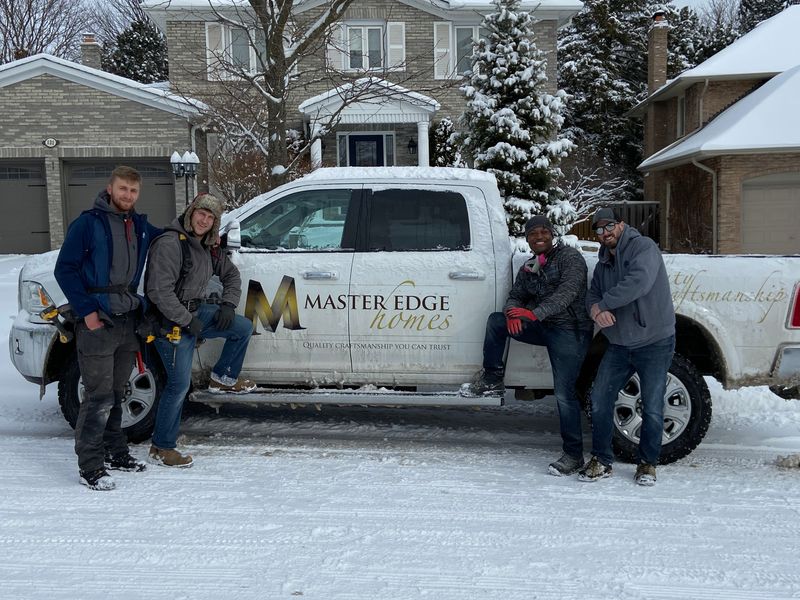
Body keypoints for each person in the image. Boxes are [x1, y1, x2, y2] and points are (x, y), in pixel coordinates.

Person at [55, 165, 161, 491]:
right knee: (98, 397)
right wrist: (87, 312)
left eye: (133, 191)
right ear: (111, 189)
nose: (127, 196)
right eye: (123, 189)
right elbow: (65, 270)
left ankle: (116, 452)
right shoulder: (88, 224)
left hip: (127, 320)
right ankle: (91, 466)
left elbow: (175, 237)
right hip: (98, 321)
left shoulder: (140, 226)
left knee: (118, 393)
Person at [462, 215, 594, 476]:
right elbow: (516, 295)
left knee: (564, 394)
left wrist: (533, 314)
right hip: (543, 326)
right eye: (533, 233)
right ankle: (492, 377)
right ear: (527, 238)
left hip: (570, 331)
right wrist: (513, 313)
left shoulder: (570, 258)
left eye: (544, 231)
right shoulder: (530, 265)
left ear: (553, 234)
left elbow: (566, 294)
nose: (539, 236)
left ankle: (573, 455)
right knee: (497, 322)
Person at [144, 193, 255, 468]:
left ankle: (223, 377)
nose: (204, 220)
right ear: (190, 213)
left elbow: (231, 275)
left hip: (194, 314)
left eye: (210, 217)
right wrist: (186, 320)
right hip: (169, 323)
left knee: (241, 327)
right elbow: (159, 292)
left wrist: (228, 304)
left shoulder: (206, 246)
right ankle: (162, 447)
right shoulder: (170, 244)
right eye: (200, 214)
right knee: (178, 385)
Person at [578, 207, 675, 486]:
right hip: (619, 344)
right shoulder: (603, 265)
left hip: (654, 342)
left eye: (609, 226)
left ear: (621, 225)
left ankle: (647, 464)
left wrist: (603, 305)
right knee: (599, 400)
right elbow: (592, 296)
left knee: (653, 406)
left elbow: (639, 282)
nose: (604, 233)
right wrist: (595, 310)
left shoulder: (643, 247)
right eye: (598, 229)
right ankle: (601, 460)